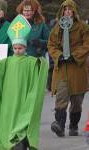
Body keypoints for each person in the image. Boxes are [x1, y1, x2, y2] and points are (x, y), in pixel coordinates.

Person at [0, 14, 48, 150]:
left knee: (21, 121)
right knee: (7, 122)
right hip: (8, 99)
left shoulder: (30, 62)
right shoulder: (6, 62)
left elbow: (41, 67)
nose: (18, 51)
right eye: (16, 48)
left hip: (23, 99)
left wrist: (40, 61)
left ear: (25, 47)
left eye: (21, 48)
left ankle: (21, 141)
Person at [48, 0, 89, 137]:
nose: (67, 12)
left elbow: (87, 45)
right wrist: (58, 55)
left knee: (77, 101)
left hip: (77, 69)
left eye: (70, 10)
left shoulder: (83, 27)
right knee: (61, 98)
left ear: (74, 11)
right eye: (65, 10)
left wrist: (75, 55)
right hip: (62, 69)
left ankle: (73, 125)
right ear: (62, 11)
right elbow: (51, 45)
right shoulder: (57, 28)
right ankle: (59, 124)